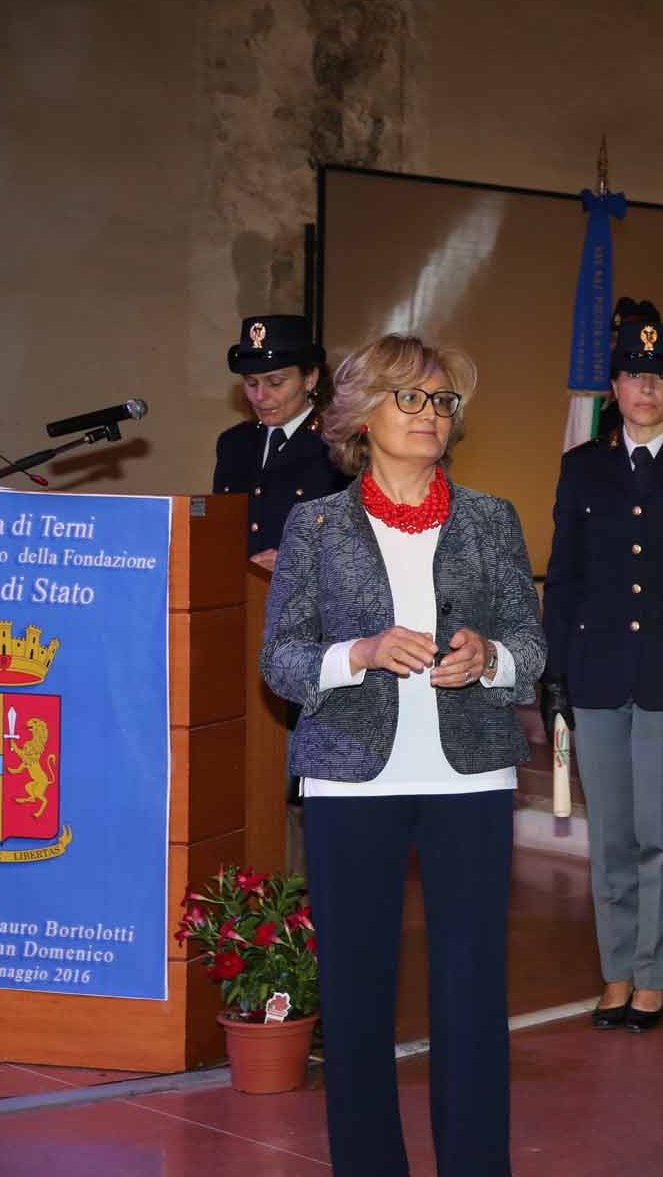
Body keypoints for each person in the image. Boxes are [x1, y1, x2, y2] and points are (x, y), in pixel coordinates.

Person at [259, 334, 546, 1177]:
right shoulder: (313, 525)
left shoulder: (491, 517)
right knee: (355, 998)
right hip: (350, 776)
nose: (432, 416)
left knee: (469, 995)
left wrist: (487, 658)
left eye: (443, 401)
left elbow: (533, 646)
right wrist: (360, 652)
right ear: (361, 415)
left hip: (472, 776)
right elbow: (280, 658)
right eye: (412, 399)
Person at [539, 319, 663, 1032]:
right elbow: (563, 580)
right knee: (611, 839)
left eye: (659, 378)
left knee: (662, 836)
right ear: (615, 388)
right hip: (597, 674)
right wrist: (553, 673)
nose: (646, 389)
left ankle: (654, 974)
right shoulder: (582, 465)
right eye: (633, 376)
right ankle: (616, 971)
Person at [212, 314, 348, 568]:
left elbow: (358, 546)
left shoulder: (339, 443)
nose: (260, 396)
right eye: (251, 383)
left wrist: (297, 564)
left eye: (275, 382)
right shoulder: (233, 444)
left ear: (310, 378)